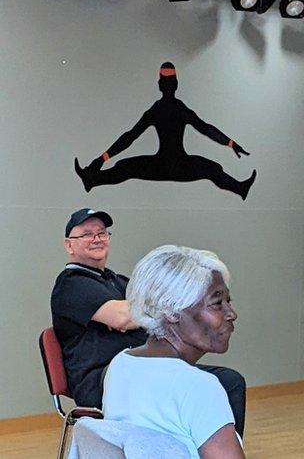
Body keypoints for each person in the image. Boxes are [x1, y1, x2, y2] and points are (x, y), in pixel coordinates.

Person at [50, 208, 247, 436]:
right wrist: (166, 305)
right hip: (104, 377)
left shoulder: (117, 281)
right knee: (201, 385)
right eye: (86, 234)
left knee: (228, 381)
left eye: (102, 233)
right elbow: (123, 317)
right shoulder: (71, 285)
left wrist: (152, 307)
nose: (96, 239)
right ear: (69, 245)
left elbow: (141, 312)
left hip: (143, 367)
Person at [101, 245, 243, 459]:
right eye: (216, 304)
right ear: (172, 311)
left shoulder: (120, 364)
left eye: (228, 302)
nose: (231, 314)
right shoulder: (199, 386)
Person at [74, 62, 257, 200]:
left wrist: (102, 159)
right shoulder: (178, 109)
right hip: (181, 166)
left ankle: (93, 179)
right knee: (211, 168)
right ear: (175, 84)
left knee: (125, 167)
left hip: (162, 166)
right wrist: (230, 143)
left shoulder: (158, 109)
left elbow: (130, 137)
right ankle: (239, 188)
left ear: (160, 84)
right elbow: (205, 128)